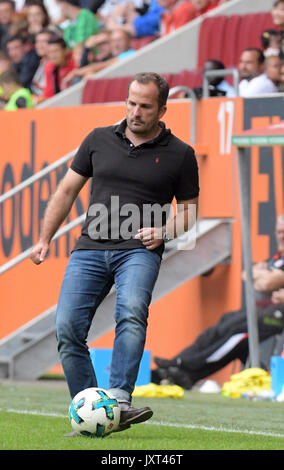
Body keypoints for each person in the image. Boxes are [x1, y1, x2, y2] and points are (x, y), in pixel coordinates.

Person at [30, 72, 199, 434]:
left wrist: (165, 230)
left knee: (132, 312)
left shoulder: (180, 154)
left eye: (145, 106)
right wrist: (45, 238)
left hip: (139, 249)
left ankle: (120, 399)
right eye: (131, 103)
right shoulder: (97, 139)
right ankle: (91, 408)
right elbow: (65, 192)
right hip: (90, 248)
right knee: (67, 330)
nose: (136, 112)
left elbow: (190, 210)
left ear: (162, 109)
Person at [153, 215, 284, 389]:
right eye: (280, 231)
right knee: (226, 322)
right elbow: (247, 275)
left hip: (278, 315)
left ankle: (184, 366)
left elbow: (266, 283)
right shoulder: (277, 258)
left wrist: (263, 277)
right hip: (266, 309)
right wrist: (263, 277)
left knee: (238, 331)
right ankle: (180, 366)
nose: (282, 235)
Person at [63, 28, 135, 84]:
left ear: (129, 41)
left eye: (120, 40)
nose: (115, 45)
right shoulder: (105, 58)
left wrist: (76, 72)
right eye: (113, 41)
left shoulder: (131, 54)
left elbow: (105, 65)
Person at [30, 28, 53, 99]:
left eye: (44, 41)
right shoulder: (43, 61)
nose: (40, 45)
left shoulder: (54, 63)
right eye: (38, 42)